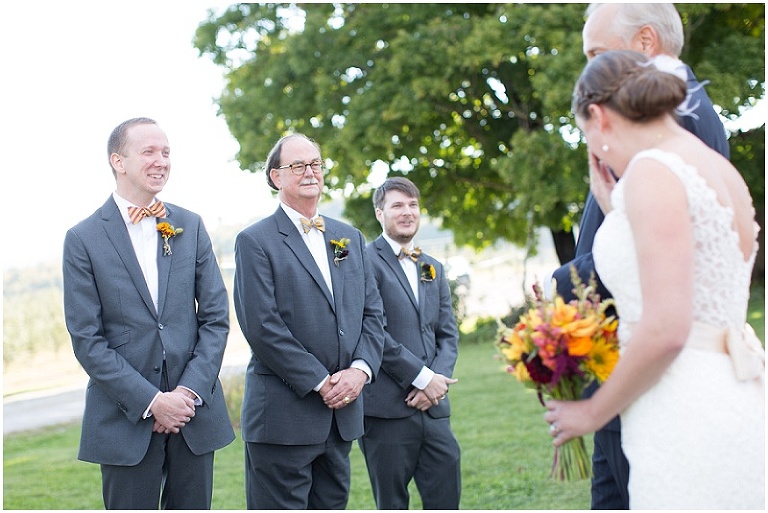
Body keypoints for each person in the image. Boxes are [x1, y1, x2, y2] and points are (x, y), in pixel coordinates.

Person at [545, 50, 764, 509]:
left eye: (589, 138)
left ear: (599, 117)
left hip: (681, 403)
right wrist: (616, 212)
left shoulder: (652, 171)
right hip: (736, 388)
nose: (599, 156)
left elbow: (667, 329)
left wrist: (589, 412)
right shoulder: (719, 169)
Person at [63, 117, 235, 509]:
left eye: (167, 152)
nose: (162, 160)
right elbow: (87, 340)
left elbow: (215, 318)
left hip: (193, 416)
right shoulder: (82, 239)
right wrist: (152, 401)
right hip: (124, 421)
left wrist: (186, 395)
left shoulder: (189, 225)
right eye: (149, 151)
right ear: (118, 161)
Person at [233, 133, 385, 509]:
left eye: (315, 163)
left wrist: (360, 372)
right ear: (275, 177)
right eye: (297, 165)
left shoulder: (348, 237)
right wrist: (321, 382)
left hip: (341, 417)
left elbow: (372, 314)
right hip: (283, 420)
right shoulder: (255, 241)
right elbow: (262, 327)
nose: (309, 172)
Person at [359, 177, 461, 509]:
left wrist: (436, 383)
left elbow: (447, 334)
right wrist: (421, 377)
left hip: (434, 411)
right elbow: (373, 332)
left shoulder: (432, 266)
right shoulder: (363, 263)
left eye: (413, 205)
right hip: (386, 412)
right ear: (379, 213)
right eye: (397, 205)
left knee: (446, 499)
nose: (407, 212)